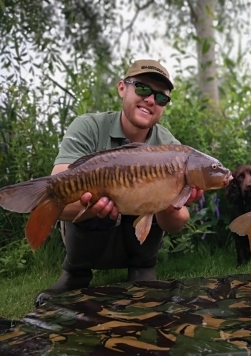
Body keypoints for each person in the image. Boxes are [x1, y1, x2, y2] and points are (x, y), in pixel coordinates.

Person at [35, 59, 203, 306]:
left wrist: (170, 202)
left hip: (137, 237)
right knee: (84, 199)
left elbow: (177, 225)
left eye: (161, 98)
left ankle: (142, 269)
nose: (150, 100)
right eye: (143, 89)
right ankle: (75, 274)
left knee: (153, 197)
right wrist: (90, 206)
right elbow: (58, 181)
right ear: (122, 88)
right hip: (90, 226)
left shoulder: (170, 147)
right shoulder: (88, 126)